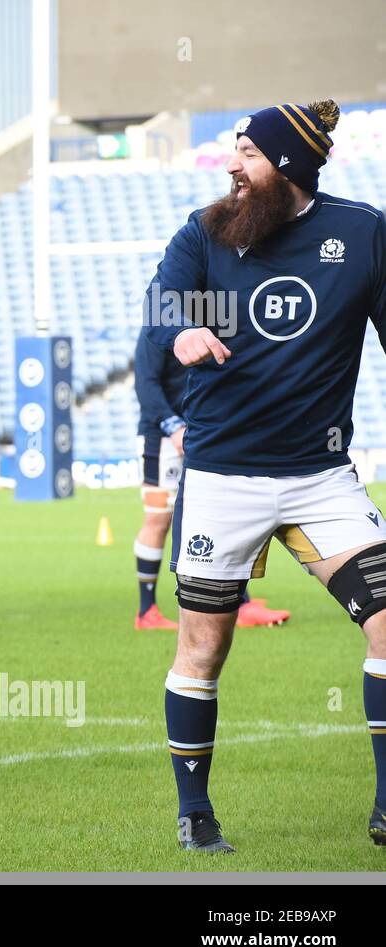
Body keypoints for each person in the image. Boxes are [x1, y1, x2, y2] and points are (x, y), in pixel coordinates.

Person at [143, 100, 386, 851]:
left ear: (288, 166)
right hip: (223, 478)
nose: (231, 166)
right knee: (203, 649)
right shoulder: (207, 231)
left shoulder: (362, 233)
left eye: (246, 153)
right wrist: (180, 330)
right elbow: (159, 309)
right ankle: (195, 812)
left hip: (321, 479)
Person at [132, 328, 291, 630]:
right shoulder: (159, 329)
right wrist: (173, 426)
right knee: (158, 519)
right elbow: (146, 384)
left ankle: (240, 602)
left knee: (224, 514)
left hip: (206, 433)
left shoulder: (219, 322)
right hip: (161, 438)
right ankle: (146, 610)